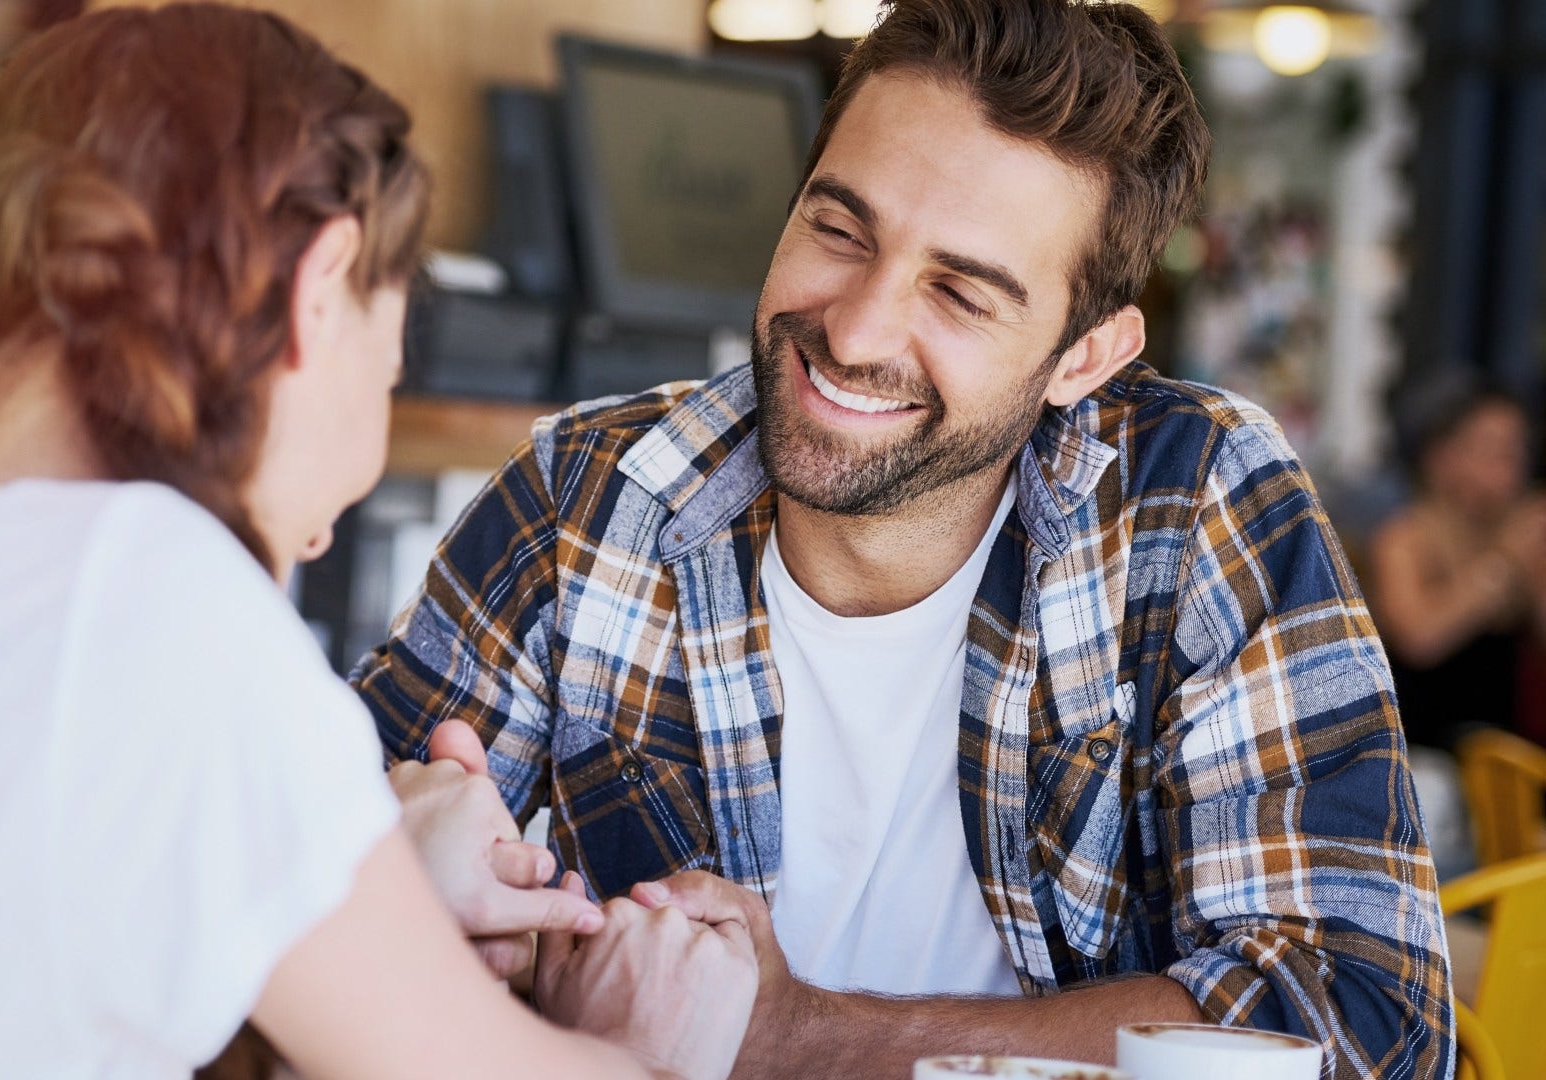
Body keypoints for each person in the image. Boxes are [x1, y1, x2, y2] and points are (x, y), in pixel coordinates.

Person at [0, 6, 757, 1079]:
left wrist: (371, 881)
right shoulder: (153, 591)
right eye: (386, 369)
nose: (327, 519)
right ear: (322, 286)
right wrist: (650, 1037)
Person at [353, 1, 1451, 1077]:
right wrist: (408, 876)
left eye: (960, 293)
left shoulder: (1193, 498)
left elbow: (1362, 1020)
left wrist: (792, 1035)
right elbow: (308, 902)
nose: (856, 328)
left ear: (1084, 357)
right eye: (840, 231)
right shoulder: (587, 495)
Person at [1372, 383, 1546, 750]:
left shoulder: (1521, 530)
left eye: (1519, 448)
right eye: (1494, 448)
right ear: (1442, 458)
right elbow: (1418, 639)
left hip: (1503, 750)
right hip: (1420, 748)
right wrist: (1503, 563)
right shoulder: (1405, 539)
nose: (1512, 463)